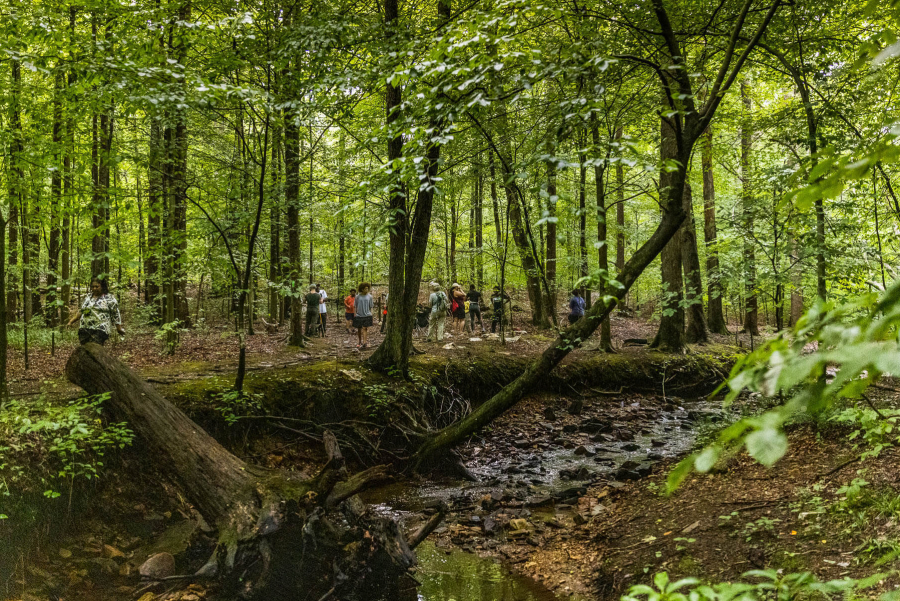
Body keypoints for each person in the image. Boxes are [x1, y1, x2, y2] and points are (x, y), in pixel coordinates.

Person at [67, 277, 124, 345]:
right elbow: (82, 311)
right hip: (85, 328)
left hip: (101, 329)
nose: (94, 288)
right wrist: (71, 322)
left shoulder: (109, 298)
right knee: (85, 349)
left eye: (97, 286)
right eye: (93, 287)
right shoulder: (88, 297)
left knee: (95, 347)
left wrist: (119, 328)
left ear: (102, 286)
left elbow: (116, 314)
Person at [354, 282, 374, 349]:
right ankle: (359, 341)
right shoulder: (357, 297)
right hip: (359, 315)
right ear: (362, 289)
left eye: (367, 288)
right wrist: (355, 314)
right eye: (365, 288)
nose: (367, 290)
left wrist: (371, 314)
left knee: (365, 328)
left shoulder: (370, 296)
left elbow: (371, 306)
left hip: (367, 315)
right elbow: (355, 306)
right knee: (359, 329)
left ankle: (365, 342)